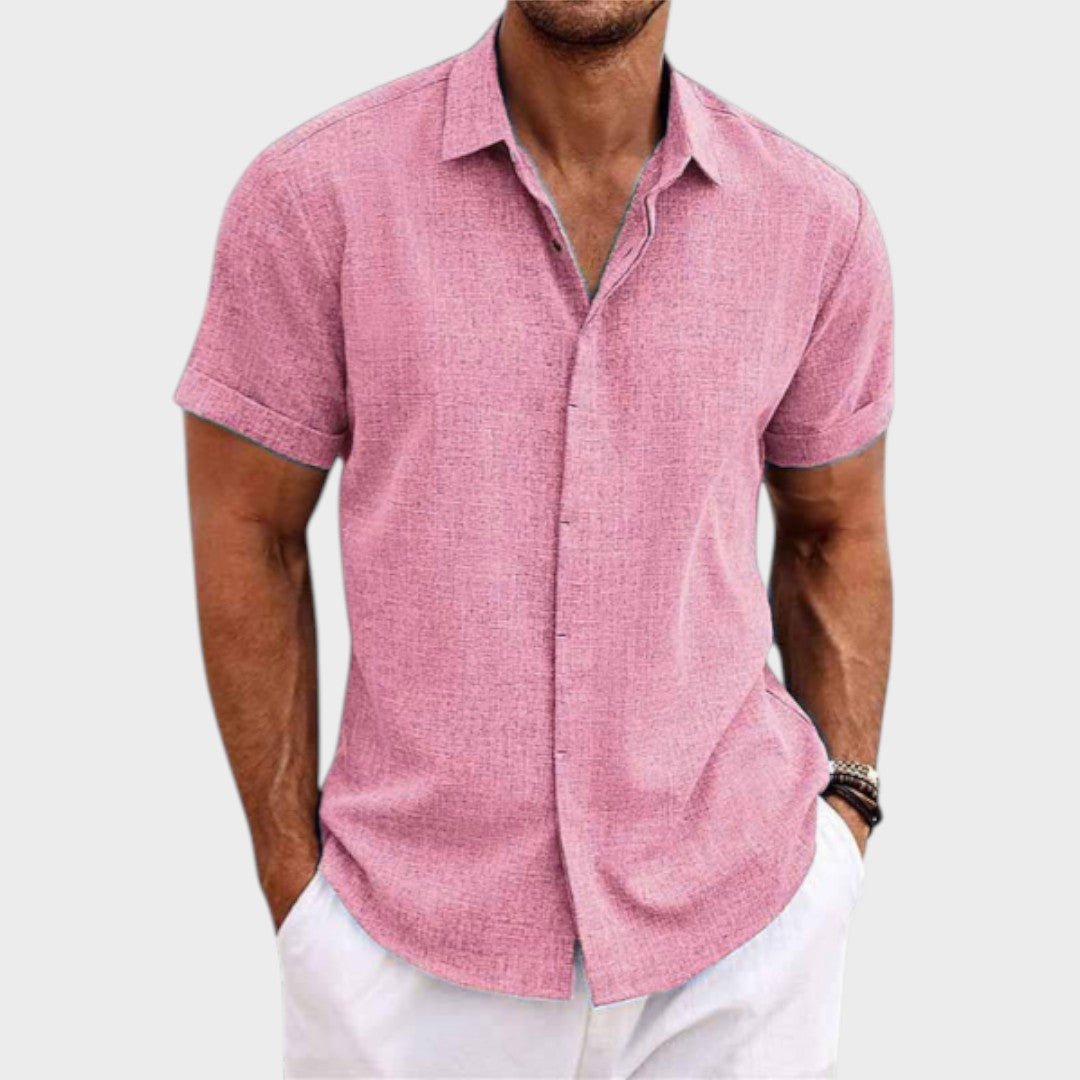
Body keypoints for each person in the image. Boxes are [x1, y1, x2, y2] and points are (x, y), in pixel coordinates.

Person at [176, 2, 893, 1075]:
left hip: (743, 946)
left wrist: (848, 817)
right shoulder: (315, 195)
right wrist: (297, 894)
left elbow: (835, 532)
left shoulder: (815, 222)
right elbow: (251, 530)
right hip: (403, 955)